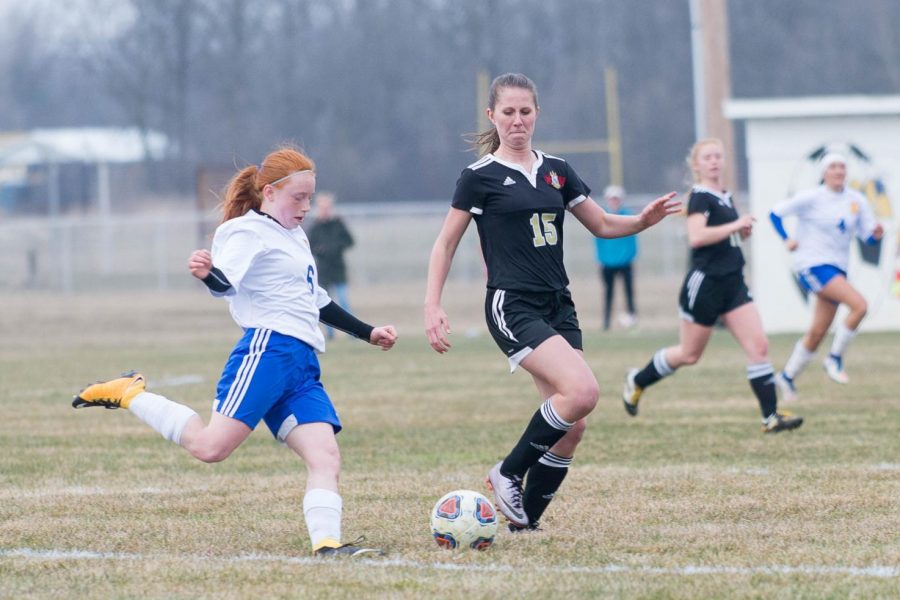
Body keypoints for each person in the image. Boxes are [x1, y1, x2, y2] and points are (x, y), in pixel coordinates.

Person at [71, 147, 397, 557]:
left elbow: (314, 299)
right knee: (211, 448)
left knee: (326, 455)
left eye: (310, 197)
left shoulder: (293, 234)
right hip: (269, 352)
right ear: (269, 192)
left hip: (301, 365)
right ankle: (129, 393)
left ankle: (328, 546)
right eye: (298, 197)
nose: (306, 206)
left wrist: (367, 333)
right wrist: (209, 274)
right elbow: (227, 284)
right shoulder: (244, 231)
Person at [424, 73, 680, 531]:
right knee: (583, 392)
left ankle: (527, 524)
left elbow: (600, 224)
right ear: (492, 116)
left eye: (525, 111)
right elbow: (444, 244)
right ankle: (507, 471)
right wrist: (432, 305)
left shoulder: (556, 169)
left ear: (537, 113)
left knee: (573, 425)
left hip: (558, 304)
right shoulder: (478, 178)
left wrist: (643, 220)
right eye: (508, 112)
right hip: (513, 305)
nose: (517, 120)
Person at [622, 138, 803, 434]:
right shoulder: (700, 196)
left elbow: (724, 236)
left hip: (733, 281)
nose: (715, 161)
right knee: (689, 355)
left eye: (719, 156)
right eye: (708, 157)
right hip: (704, 285)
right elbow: (697, 237)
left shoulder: (725, 195)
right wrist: (735, 225)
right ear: (697, 164)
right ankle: (638, 380)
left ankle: (770, 417)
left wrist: (740, 233)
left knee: (759, 346)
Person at [769, 152, 884, 399]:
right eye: (833, 167)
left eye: (842, 167)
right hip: (812, 265)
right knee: (860, 306)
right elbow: (775, 213)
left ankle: (787, 377)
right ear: (823, 172)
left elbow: (868, 238)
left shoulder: (856, 200)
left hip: (837, 267)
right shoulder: (812, 197)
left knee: (818, 331)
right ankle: (834, 358)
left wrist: (876, 234)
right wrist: (787, 239)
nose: (838, 171)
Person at [307, 192, 355, 340]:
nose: (325, 210)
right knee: (325, 304)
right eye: (322, 207)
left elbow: (350, 241)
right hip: (323, 271)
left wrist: (337, 247)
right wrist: (320, 250)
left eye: (327, 207)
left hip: (338, 269)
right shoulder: (314, 228)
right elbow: (309, 246)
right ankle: (330, 334)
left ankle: (352, 331)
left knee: (344, 301)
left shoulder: (338, 224)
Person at [594, 185, 638, 330]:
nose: (614, 201)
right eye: (612, 199)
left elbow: (632, 241)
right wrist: (600, 260)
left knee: (629, 293)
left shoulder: (627, 215)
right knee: (608, 293)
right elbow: (598, 242)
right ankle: (606, 323)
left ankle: (632, 320)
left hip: (625, 262)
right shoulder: (601, 217)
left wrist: (630, 257)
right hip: (607, 263)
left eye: (616, 199)